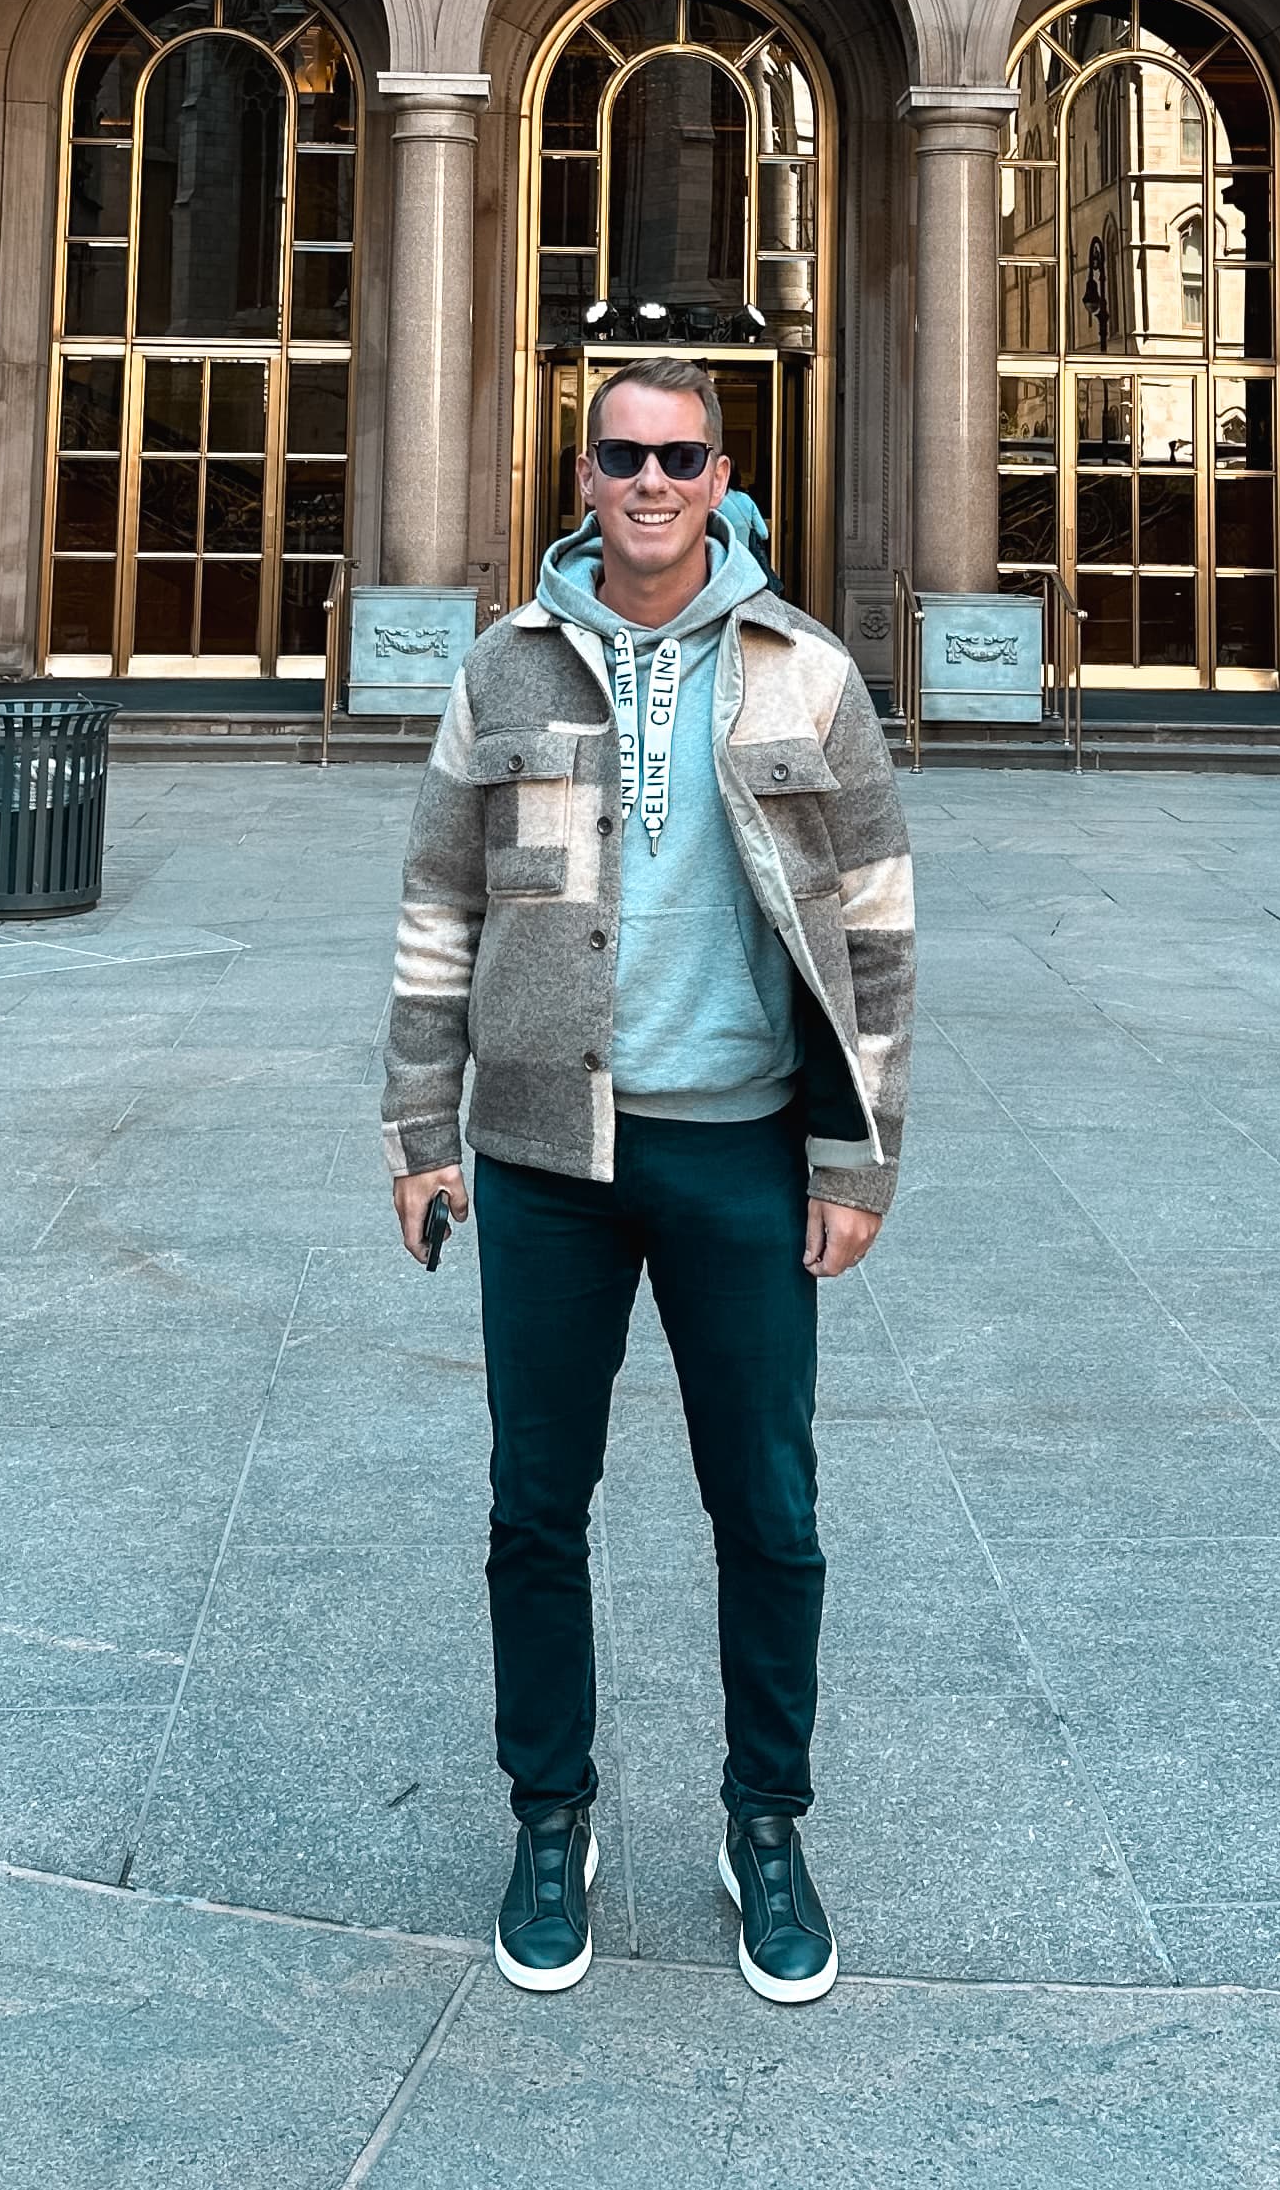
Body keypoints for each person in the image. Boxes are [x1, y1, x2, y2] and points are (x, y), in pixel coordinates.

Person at [381, 353, 913, 2007]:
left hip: (743, 1152)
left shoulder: (806, 672)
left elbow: (878, 926)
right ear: (587, 475)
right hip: (546, 1153)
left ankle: (769, 1825)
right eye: (622, 454)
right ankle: (552, 1818)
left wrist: (856, 1152)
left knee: (769, 1511)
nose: (652, 480)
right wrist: (416, 1130)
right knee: (535, 1504)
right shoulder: (505, 673)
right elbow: (435, 911)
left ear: (723, 470)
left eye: (679, 455)